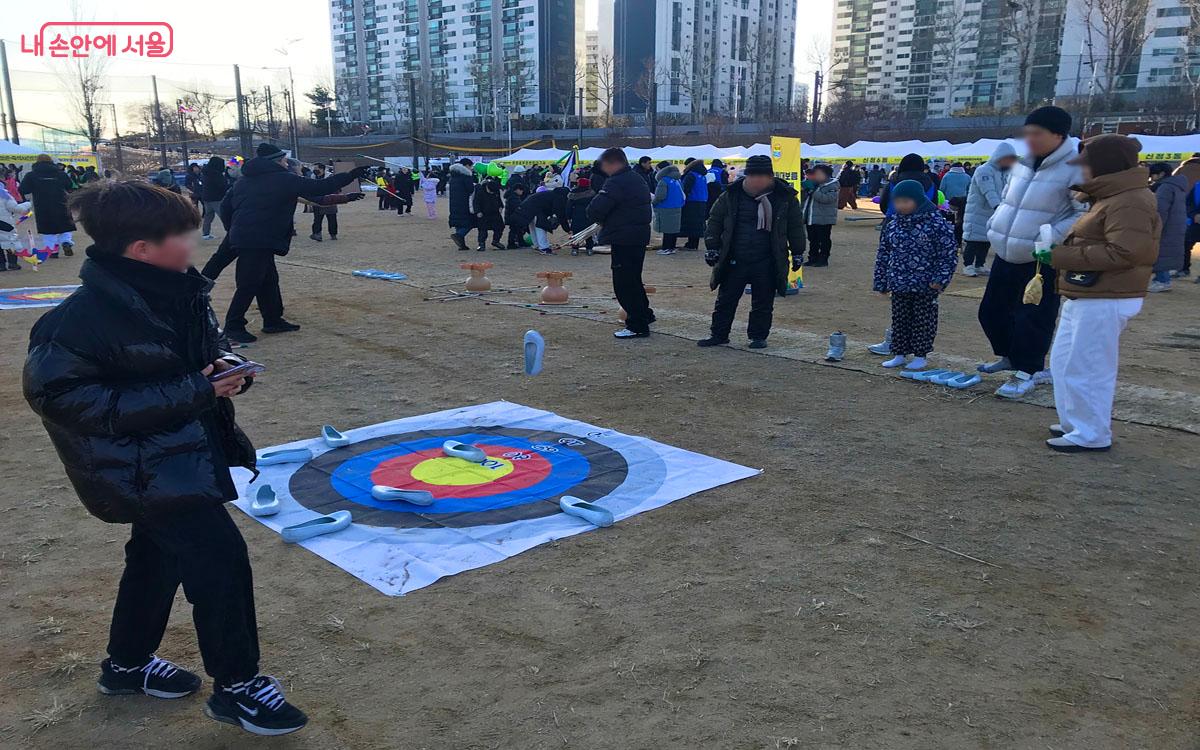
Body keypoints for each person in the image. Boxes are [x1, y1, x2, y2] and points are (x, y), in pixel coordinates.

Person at [23, 180, 308, 736]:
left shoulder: (180, 289)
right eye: (183, 234)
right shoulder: (75, 321)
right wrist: (196, 389)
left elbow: (204, 349)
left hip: (182, 452)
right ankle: (238, 687)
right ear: (141, 249)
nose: (194, 243)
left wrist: (226, 368)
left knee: (156, 559)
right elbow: (60, 399)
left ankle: (126, 666)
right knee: (219, 560)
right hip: (137, 468)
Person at [1039, 135, 1159, 453]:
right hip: (1089, 291)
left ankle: (1091, 432)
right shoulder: (1111, 197)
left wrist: (1060, 256)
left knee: (1089, 366)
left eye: (1085, 164)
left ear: (1103, 165)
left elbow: (1125, 252)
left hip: (1107, 295)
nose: (1080, 171)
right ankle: (1075, 422)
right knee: (1066, 362)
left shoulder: (1130, 201)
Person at [979, 105, 1086, 400]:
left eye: (1037, 133)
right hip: (1005, 250)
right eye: (1027, 133)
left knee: (1034, 316)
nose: (1030, 139)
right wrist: (995, 223)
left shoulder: (1076, 167)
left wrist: (1048, 237)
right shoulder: (1023, 163)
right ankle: (1010, 356)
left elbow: (1084, 213)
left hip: (1041, 256)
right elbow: (1006, 199)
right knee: (991, 311)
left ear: (1058, 135)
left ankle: (1027, 370)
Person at [219, 143, 365, 343]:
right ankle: (233, 326)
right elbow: (319, 187)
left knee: (268, 280)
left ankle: (272, 319)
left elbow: (226, 207)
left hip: (254, 237)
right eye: (284, 160)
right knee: (249, 283)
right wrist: (350, 175)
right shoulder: (283, 179)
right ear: (276, 162)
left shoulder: (244, 181)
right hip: (257, 238)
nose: (286, 163)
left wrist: (234, 230)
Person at [698, 154, 805, 349]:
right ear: (746, 176)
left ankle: (758, 336)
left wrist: (798, 251)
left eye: (762, 176)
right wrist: (712, 246)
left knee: (763, 301)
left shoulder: (785, 197)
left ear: (770, 177)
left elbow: (795, 227)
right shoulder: (731, 194)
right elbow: (715, 221)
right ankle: (719, 334)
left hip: (767, 257)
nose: (757, 180)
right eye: (753, 176)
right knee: (726, 299)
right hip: (735, 256)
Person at [872, 180, 958, 370]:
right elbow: (883, 253)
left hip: (926, 284)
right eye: (897, 201)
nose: (901, 206)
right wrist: (881, 281)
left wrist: (940, 279)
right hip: (898, 281)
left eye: (906, 201)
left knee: (923, 321)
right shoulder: (893, 224)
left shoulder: (936, 223)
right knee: (899, 319)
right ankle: (899, 353)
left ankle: (920, 355)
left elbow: (948, 254)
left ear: (918, 200)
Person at [587, 147, 653, 339]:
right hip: (638, 235)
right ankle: (645, 315)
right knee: (634, 279)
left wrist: (600, 218)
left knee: (624, 283)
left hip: (624, 237)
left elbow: (595, 209)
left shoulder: (617, 182)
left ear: (612, 163)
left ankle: (637, 324)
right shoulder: (636, 178)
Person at [961, 143, 1018, 276]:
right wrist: (997, 206)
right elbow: (988, 190)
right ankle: (968, 265)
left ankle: (980, 264)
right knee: (973, 240)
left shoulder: (1004, 172)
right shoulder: (984, 170)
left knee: (986, 240)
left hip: (993, 213)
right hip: (978, 211)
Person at [1147, 160, 1200, 292]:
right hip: (1177, 224)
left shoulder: (1165, 187)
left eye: (1153, 174)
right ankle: (1164, 279)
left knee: (1161, 252)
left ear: (1161, 174)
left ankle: (1162, 280)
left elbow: (1161, 210)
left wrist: (1155, 226)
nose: (1152, 178)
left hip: (1166, 225)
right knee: (1166, 252)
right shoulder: (1177, 185)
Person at [19, 154, 77, 257]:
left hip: (42, 205)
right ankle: (66, 241)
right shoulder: (61, 173)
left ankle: (52, 250)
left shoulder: (31, 175)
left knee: (48, 229)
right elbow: (69, 185)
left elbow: (23, 189)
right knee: (65, 225)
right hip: (61, 202)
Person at [514, 175, 569, 255]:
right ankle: (544, 248)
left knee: (533, 227)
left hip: (526, 208)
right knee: (540, 227)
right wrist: (567, 229)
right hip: (534, 209)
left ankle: (537, 245)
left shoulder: (551, 194)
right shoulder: (559, 198)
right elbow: (560, 214)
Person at [801, 164, 839, 266]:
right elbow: (804, 200)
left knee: (824, 239)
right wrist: (804, 190)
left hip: (824, 219)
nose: (816, 176)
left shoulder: (833, 185)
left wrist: (812, 191)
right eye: (815, 174)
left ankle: (823, 259)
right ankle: (812, 258)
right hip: (811, 217)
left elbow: (827, 199)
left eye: (818, 174)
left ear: (827, 175)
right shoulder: (814, 184)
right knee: (812, 239)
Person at [652, 162, 685, 255]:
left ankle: (666, 248)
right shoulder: (677, 180)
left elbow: (660, 196)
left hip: (665, 208)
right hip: (677, 206)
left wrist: (653, 202)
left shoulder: (663, 181)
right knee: (673, 229)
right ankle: (672, 247)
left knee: (667, 229)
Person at [939, 162, 972, 247]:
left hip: (949, 203)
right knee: (960, 222)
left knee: (949, 221)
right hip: (963, 203)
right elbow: (970, 190)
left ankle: (949, 240)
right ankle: (959, 242)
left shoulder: (946, 176)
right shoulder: (967, 177)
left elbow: (942, 189)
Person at [680, 158, 709, 250]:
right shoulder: (702, 176)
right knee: (698, 224)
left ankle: (691, 244)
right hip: (702, 201)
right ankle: (694, 243)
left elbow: (686, 188)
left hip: (691, 201)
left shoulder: (691, 175)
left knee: (691, 223)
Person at [447, 158, 476, 251]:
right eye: (470, 166)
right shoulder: (466, 176)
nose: (471, 168)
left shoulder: (453, 176)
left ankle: (462, 245)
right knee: (470, 222)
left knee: (458, 223)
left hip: (454, 203)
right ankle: (459, 235)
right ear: (467, 165)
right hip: (464, 202)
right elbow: (470, 189)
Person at [0, 186, 32, 271]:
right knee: (11, 241)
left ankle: (1, 265)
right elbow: (15, 208)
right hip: (4, 222)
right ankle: (12, 263)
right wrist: (27, 204)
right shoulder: (3, 193)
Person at [471, 177, 505, 251]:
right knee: (482, 229)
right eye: (490, 191)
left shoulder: (496, 190)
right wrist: (478, 211)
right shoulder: (480, 191)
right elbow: (476, 202)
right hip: (483, 213)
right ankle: (481, 244)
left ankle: (496, 241)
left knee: (500, 227)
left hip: (495, 212)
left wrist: (501, 207)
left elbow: (499, 200)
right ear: (487, 187)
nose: (492, 193)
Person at [199, 157, 230, 240]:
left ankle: (205, 234)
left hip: (206, 198)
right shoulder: (216, 174)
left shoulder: (205, 172)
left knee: (208, 216)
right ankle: (230, 232)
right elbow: (222, 186)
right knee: (224, 216)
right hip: (216, 198)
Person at [566, 177, 596, 255]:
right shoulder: (591, 193)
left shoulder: (573, 193)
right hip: (588, 214)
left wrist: (568, 216)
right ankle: (589, 249)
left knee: (576, 233)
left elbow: (569, 206)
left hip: (576, 214)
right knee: (588, 232)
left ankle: (575, 249)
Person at [503, 180, 529, 246]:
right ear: (517, 190)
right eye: (521, 190)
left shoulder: (512, 196)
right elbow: (517, 207)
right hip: (513, 217)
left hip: (511, 216)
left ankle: (519, 242)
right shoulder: (513, 198)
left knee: (517, 229)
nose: (522, 192)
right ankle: (512, 243)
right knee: (514, 230)